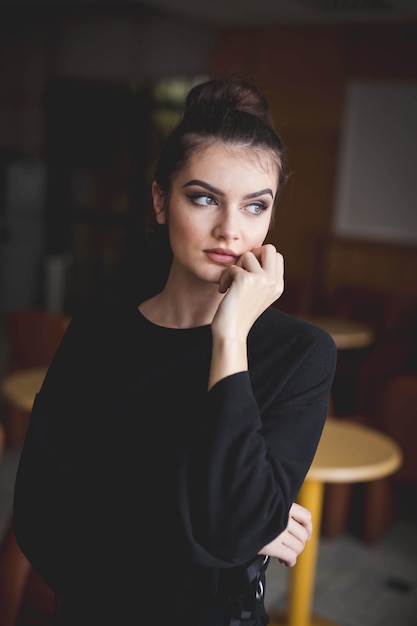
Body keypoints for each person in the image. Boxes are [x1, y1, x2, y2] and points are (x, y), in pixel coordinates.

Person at [13, 75, 336, 626]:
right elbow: (41, 519)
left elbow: (233, 529)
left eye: (255, 207)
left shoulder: (300, 354)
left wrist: (230, 336)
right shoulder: (97, 333)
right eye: (205, 198)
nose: (230, 230)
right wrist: (220, 525)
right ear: (161, 200)